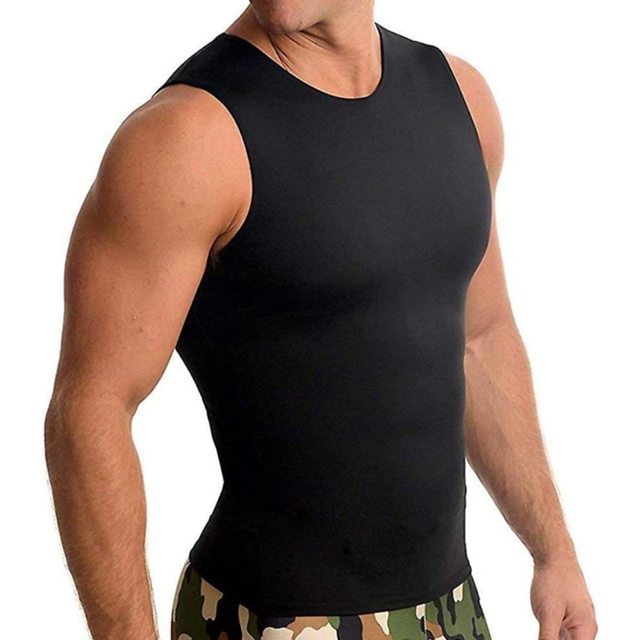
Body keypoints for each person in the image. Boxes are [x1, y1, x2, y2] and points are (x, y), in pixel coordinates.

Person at [44, 2, 597, 639]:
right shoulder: (186, 136)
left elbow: (482, 338)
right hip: (272, 617)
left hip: (448, 609)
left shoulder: (461, 99)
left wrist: (554, 551)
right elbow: (90, 407)